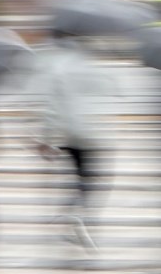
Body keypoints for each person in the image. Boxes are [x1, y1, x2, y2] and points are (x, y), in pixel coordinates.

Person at [34, 30, 109, 249]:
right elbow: (102, 96)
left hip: (70, 131)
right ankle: (77, 214)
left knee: (80, 175)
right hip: (91, 131)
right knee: (89, 178)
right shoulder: (89, 66)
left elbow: (52, 109)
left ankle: (73, 214)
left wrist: (46, 140)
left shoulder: (57, 70)